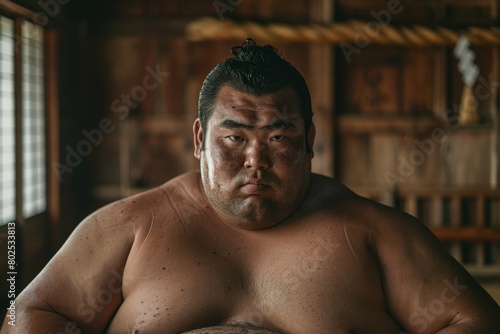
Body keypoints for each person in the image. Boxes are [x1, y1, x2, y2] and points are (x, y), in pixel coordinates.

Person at [3, 38, 500, 334]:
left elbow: (475, 321)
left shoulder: (371, 233)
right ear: (200, 140)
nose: (254, 161)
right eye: (234, 138)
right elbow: (32, 313)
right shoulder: (131, 227)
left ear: (308, 140)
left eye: (278, 137)